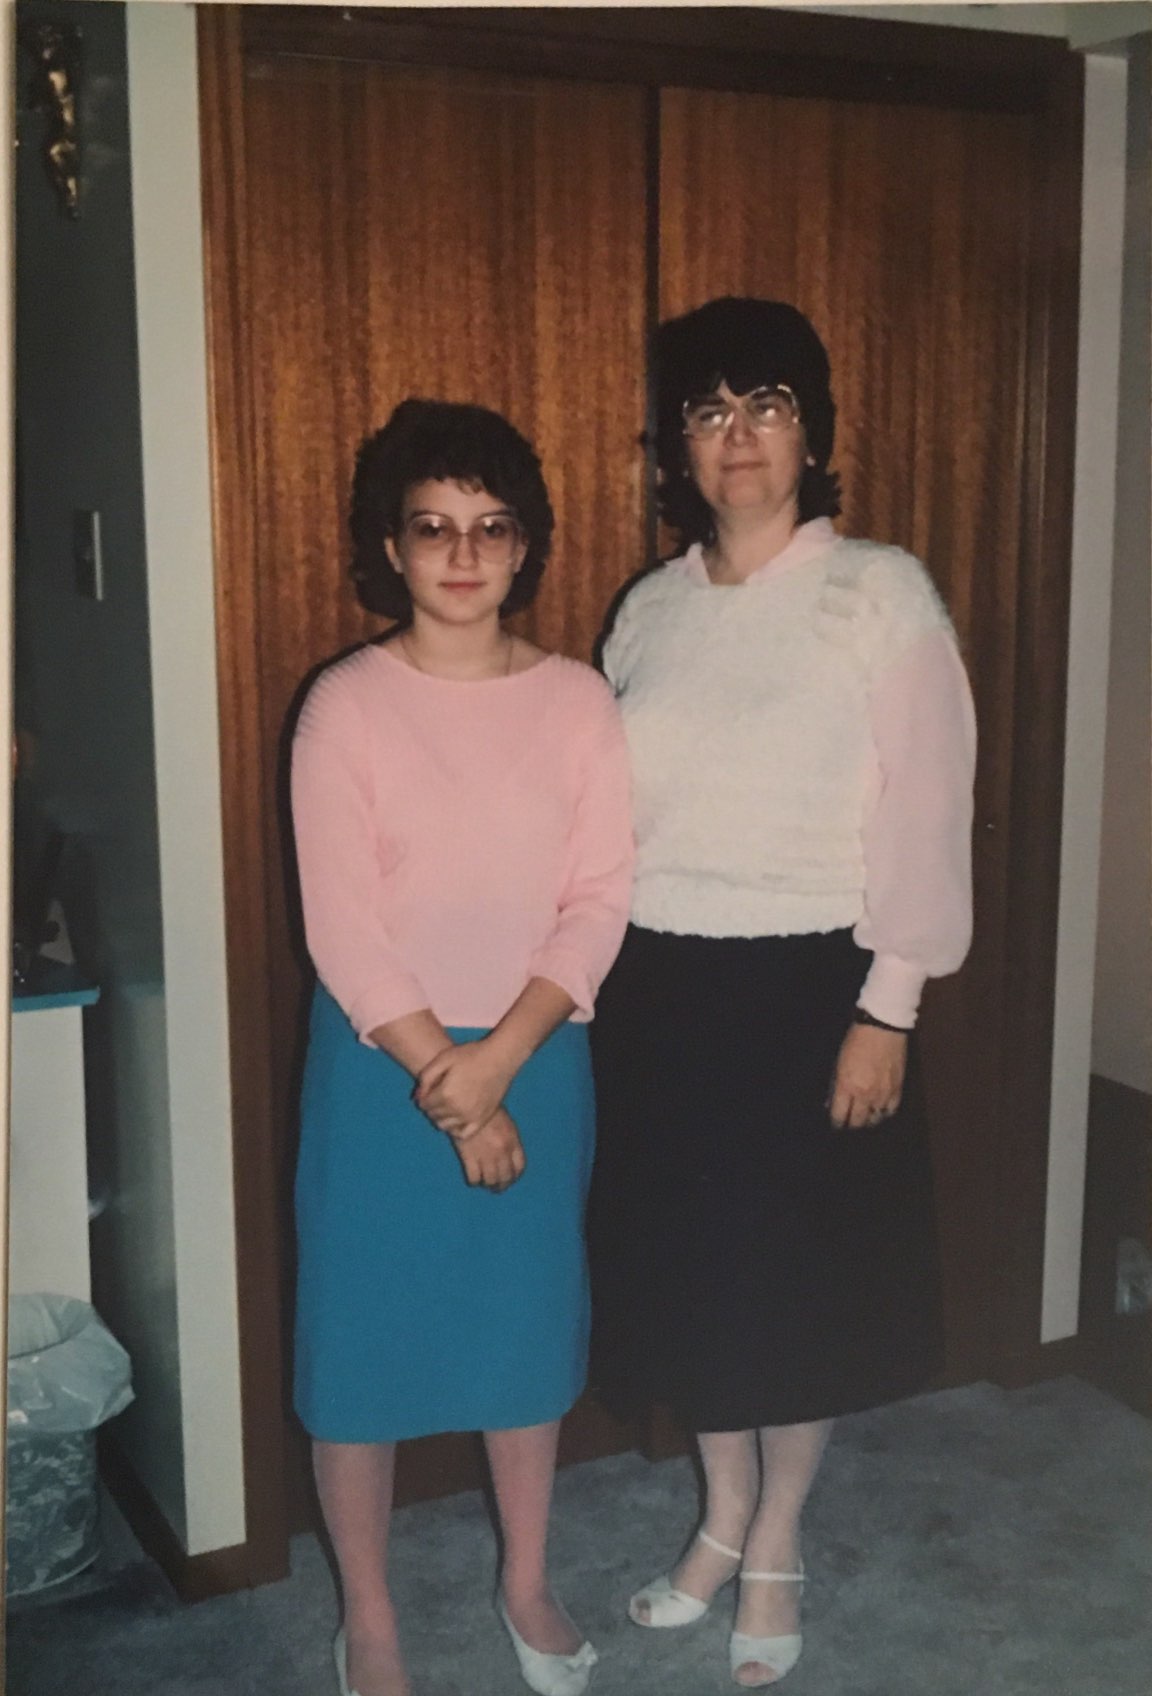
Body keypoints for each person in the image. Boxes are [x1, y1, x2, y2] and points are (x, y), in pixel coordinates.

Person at [587, 297, 975, 1688]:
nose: (738, 435)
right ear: (677, 448)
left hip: (813, 990)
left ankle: (776, 1542)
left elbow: (929, 808)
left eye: (769, 405)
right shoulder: (648, 611)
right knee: (696, 1284)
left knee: (796, 1293)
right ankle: (720, 1514)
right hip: (660, 989)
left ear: (814, 436)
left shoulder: (880, 592)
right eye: (709, 410)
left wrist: (890, 1007)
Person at [291, 398, 633, 1696]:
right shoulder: (344, 707)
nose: (462, 554)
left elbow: (597, 899)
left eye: (491, 528)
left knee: (521, 1334)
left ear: (526, 545)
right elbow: (346, 932)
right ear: (390, 547)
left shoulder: (579, 703)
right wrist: (457, 1081)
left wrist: (499, 1070)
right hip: (382, 1068)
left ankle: (526, 1580)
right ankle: (370, 1615)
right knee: (357, 1348)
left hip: (538, 1054)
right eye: (432, 527)